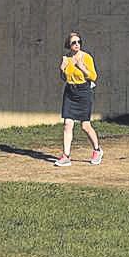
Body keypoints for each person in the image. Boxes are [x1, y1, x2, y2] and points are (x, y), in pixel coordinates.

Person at [55, 31, 103, 167]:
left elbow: (93, 77)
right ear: (68, 45)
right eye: (73, 43)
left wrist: (82, 68)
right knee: (67, 124)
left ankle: (97, 150)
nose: (77, 45)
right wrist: (62, 69)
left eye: (79, 42)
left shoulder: (86, 57)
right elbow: (64, 78)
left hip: (83, 91)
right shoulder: (66, 59)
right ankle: (66, 156)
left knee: (85, 125)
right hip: (70, 91)